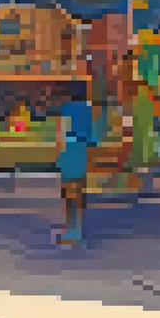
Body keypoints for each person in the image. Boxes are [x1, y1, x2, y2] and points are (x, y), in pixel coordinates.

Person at [57, 83, 95, 246]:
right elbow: (91, 136)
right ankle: (77, 230)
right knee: (79, 190)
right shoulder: (88, 109)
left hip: (69, 150)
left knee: (68, 191)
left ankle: (70, 231)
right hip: (81, 151)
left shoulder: (67, 109)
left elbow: (62, 133)